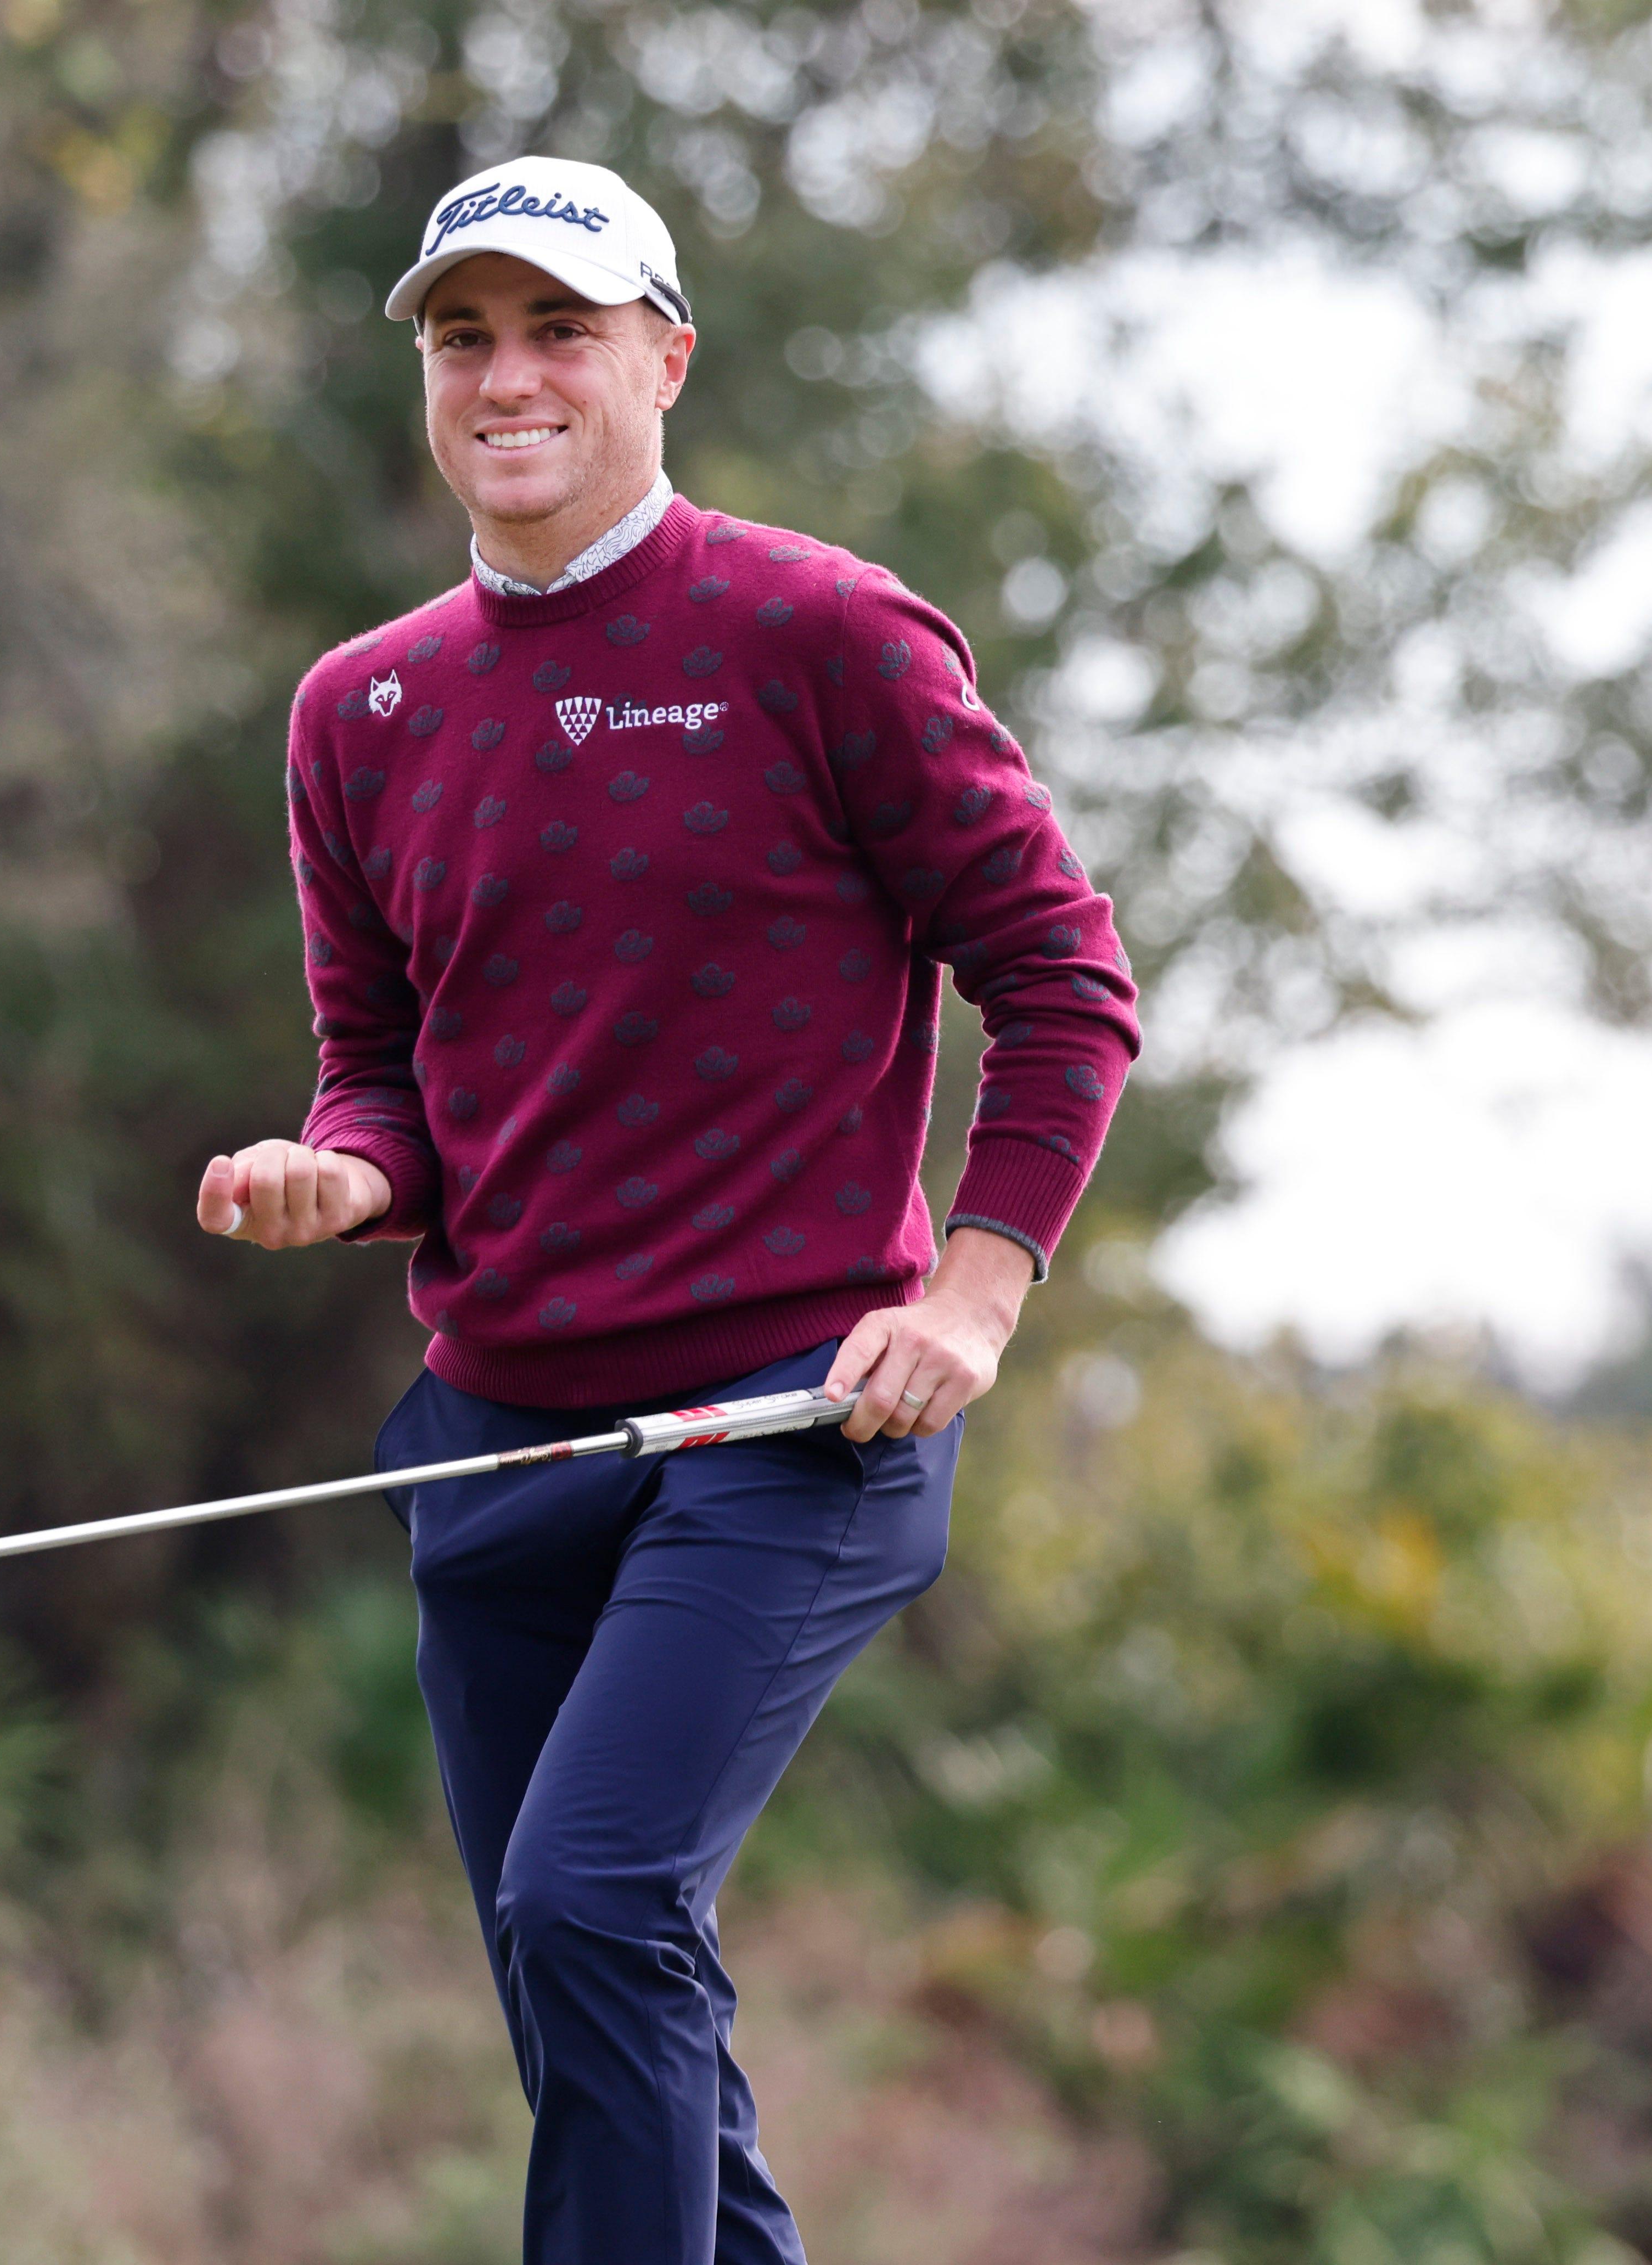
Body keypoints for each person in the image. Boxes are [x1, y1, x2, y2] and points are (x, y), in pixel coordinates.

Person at [190, 155, 1138, 2264]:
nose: (506, 376)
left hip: (795, 1425)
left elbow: (1062, 982)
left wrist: (973, 1300)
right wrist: (337, 1174)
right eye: (464, 338)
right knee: (594, 1998)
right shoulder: (361, 706)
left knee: (592, 1904)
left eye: (561, 331)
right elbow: (385, 1072)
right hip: (496, 1443)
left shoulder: (816, 628)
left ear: (664, 360)